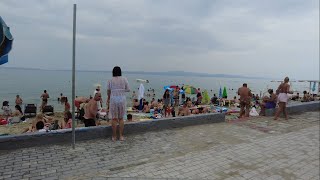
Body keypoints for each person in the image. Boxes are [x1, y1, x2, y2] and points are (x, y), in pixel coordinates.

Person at [107, 66, 130, 141]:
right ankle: (121, 136)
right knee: (121, 118)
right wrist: (121, 90)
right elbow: (128, 89)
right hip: (122, 99)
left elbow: (108, 91)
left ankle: (114, 136)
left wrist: (108, 98)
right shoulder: (124, 79)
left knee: (114, 118)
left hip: (113, 99)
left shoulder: (110, 80)